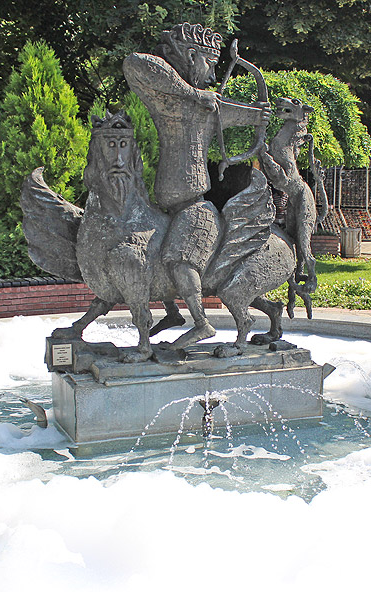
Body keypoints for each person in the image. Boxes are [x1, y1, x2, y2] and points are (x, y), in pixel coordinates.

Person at [123, 23, 271, 348]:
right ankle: (173, 313)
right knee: (147, 256)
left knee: (179, 260)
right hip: (166, 209)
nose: (214, 76)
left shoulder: (211, 107)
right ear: (192, 57)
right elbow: (135, 63)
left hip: (195, 210)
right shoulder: (172, 99)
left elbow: (252, 115)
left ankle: (202, 324)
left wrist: (260, 116)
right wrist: (195, 94)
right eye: (210, 64)